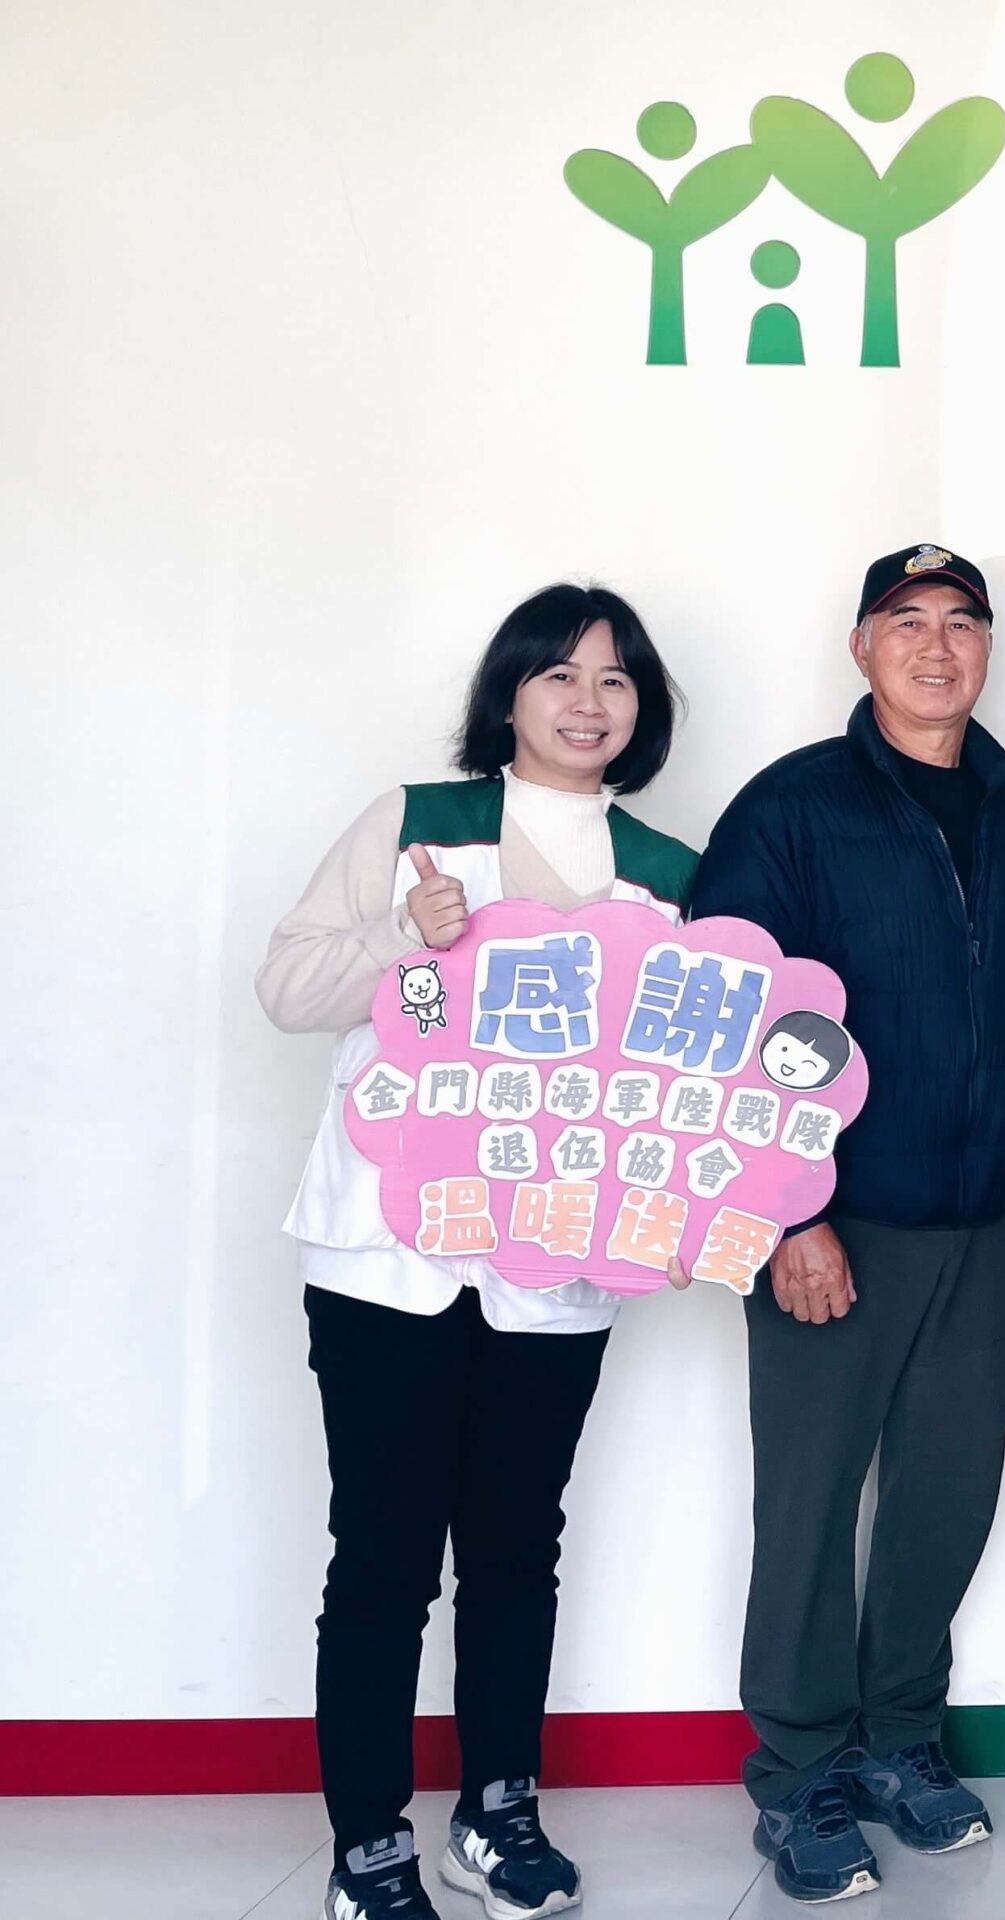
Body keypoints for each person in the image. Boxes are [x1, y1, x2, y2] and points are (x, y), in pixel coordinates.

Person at [257, 583, 696, 1920]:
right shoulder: (415, 825)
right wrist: (409, 940)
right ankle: (368, 1847)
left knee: (516, 1549)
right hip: (390, 1257)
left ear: (643, 709)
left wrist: (685, 1209)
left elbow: (680, 1089)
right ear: (507, 696)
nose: (586, 702)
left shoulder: (669, 874)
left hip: (554, 1270)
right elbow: (286, 987)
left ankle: (497, 1816)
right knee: (383, 1555)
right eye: (557, 674)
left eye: (615, 679)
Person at [687, 544, 1005, 1905]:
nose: (936, 646)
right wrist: (789, 1211)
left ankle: (900, 1736)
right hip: (834, 1222)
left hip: (986, 1221)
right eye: (906, 622)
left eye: (961, 623)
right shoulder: (793, 808)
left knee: (947, 1491)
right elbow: (730, 1014)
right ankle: (801, 1770)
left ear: (988, 647)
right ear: (862, 647)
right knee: (810, 1500)